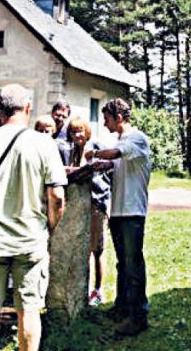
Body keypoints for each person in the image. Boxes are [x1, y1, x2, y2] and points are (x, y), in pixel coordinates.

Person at [0, 84, 67, 351]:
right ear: (28, 108)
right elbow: (57, 197)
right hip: (30, 240)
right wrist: (50, 228)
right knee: (29, 310)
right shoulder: (43, 143)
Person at [86, 98, 151, 336]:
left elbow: (115, 153)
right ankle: (122, 307)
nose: (105, 123)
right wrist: (100, 165)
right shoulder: (123, 140)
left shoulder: (136, 138)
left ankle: (138, 315)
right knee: (123, 263)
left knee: (133, 265)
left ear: (119, 118)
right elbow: (115, 162)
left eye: (107, 118)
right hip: (119, 211)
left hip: (133, 211)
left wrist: (93, 153)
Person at [63, 116, 111, 307]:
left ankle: (98, 290)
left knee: (97, 249)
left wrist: (68, 171)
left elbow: (89, 172)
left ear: (87, 131)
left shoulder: (94, 147)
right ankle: (85, 289)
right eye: (73, 131)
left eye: (80, 130)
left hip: (97, 203)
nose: (77, 135)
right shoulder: (74, 150)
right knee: (85, 249)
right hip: (82, 204)